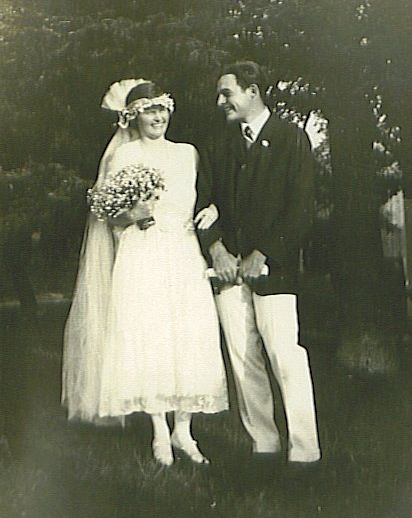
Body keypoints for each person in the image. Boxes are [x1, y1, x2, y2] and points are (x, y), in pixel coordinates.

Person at [62, 80, 228, 466]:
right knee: (150, 336)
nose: (158, 117)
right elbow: (107, 214)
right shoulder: (124, 155)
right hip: (143, 252)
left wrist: (214, 209)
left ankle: (184, 430)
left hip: (184, 251)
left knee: (190, 335)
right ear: (133, 117)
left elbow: (208, 195)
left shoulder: (188, 153)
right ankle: (159, 432)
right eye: (149, 111)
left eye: (162, 109)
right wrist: (131, 214)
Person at [197, 60, 321, 464]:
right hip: (227, 272)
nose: (220, 102)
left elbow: (301, 208)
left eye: (227, 93)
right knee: (244, 359)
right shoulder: (218, 146)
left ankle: (304, 452)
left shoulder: (290, 138)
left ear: (253, 91)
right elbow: (202, 203)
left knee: (285, 356)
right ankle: (264, 446)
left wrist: (264, 252)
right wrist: (217, 250)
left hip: (274, 270)